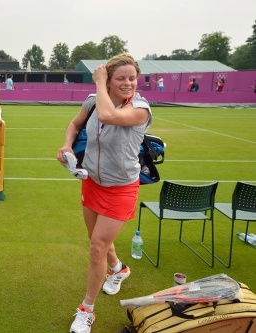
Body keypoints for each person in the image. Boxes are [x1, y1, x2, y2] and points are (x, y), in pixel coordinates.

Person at [57, 53, 151, 333]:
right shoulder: (91, 101)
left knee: (97, 246)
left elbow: (109, 115)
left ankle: (86, 310)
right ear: (110, 80)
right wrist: (66, 146)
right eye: (120, 78)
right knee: (96, 238)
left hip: (122, 187)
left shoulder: (141, 108)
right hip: (92, 181)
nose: (128, 83)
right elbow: (74, 125)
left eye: (132, 78)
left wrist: (100, 82)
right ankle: (119, 268)